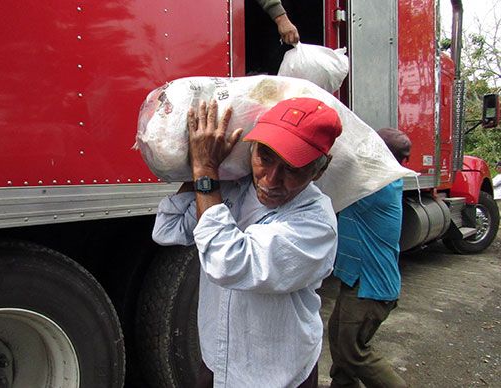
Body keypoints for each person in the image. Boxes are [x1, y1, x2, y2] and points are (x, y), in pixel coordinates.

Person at [152, 97, 343, 387]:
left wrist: (205, 173)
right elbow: (169, 228)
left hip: (275, 374)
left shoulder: (315, 223)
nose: (271, 179)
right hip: (219, 361)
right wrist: (203, 162)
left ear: (319, 169)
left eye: (292, 169)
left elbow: (229, 263)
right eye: (264, 157)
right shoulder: (235, 190)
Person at [327, 127, 412, 388]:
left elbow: (335, 169)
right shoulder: (384, 180)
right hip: (358, 283)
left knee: (353, 353)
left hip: (369, 289)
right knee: (339, 341)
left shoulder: (375, 187)